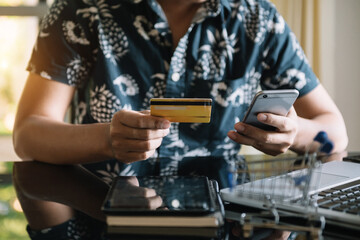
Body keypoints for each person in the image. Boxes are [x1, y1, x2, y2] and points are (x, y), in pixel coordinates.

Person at [12, 0, 348, 239]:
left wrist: (294, 132)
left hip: (225, 215)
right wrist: (106, 140)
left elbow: (334, 133)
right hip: (102, 211)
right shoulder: (80, 10)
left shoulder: (258, 18)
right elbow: (28, 135)